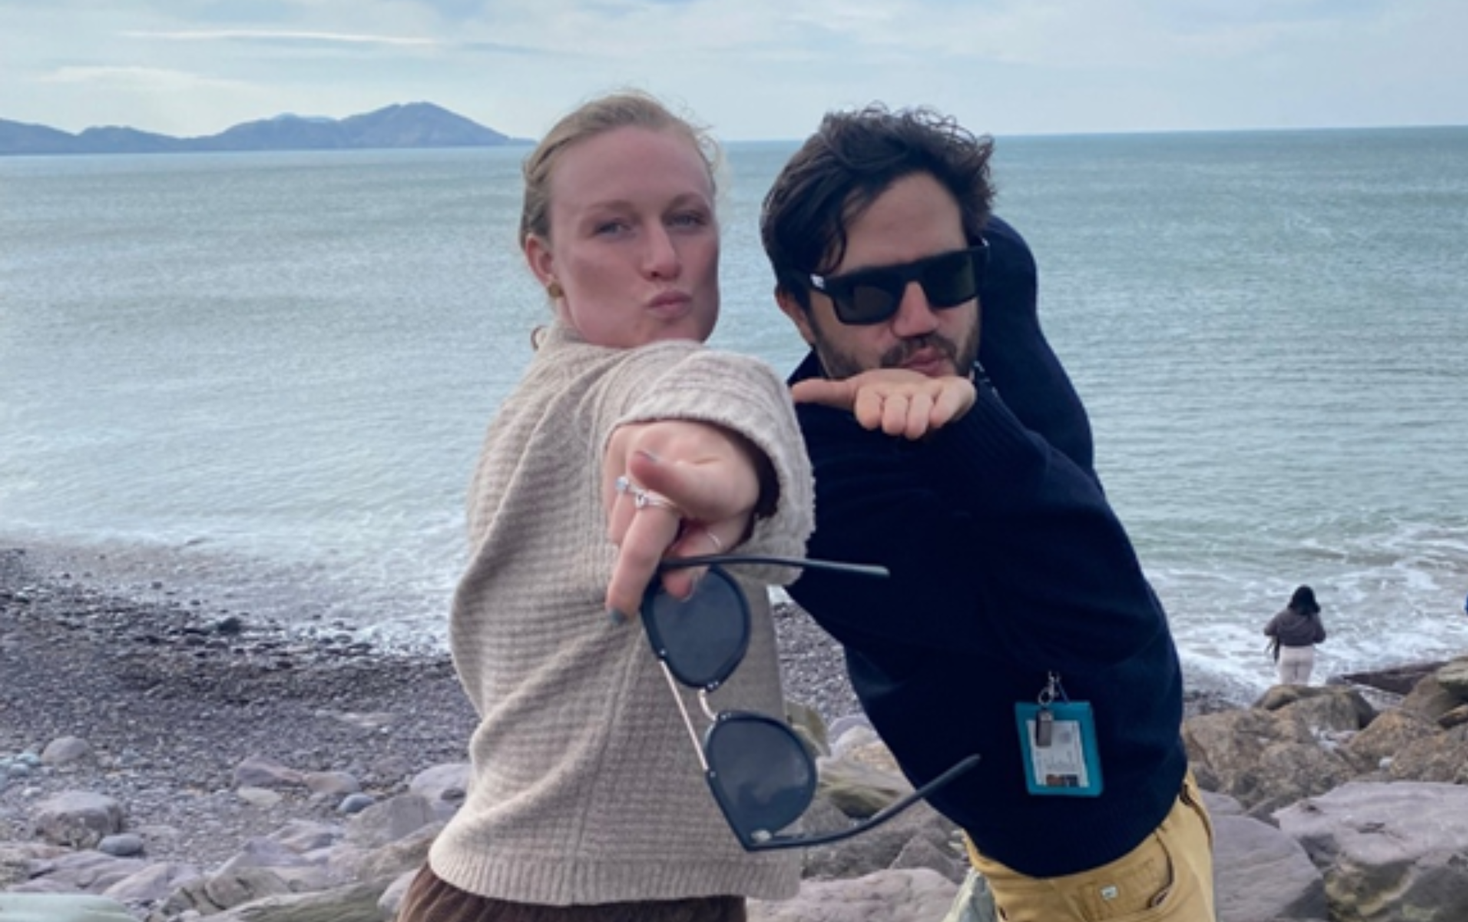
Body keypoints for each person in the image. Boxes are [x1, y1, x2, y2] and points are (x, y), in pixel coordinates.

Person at [759, 105, 1216, 922]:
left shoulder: (991, 279)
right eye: (866, 293)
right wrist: (967, 431)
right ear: (797, 307)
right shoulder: (819, 492)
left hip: (1167, 791)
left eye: (945, 275)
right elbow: (1105, 616)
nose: (918, 319)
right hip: (1082, 876)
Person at [396, 91, 814, 922]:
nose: (663, 258)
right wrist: (718, 461)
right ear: (544, 261)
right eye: (613, 227)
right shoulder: (627, 389)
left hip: (519, 879)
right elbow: (703, 395)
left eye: (687, 219)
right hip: (580, 899)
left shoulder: (539, 400)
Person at [1263, 585, 1327, 685]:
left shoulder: (1282, 615)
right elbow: (1321, 638)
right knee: (1302, 686)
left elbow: (1267, 631)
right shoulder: (1313, 617)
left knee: (1285, 686)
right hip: (1306, 652)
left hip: (1287, 652)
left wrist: (1281, 634)